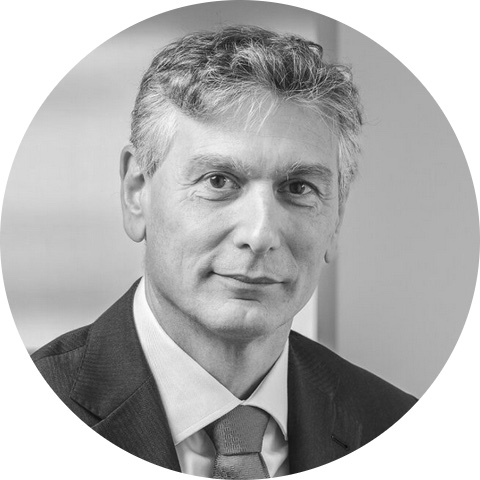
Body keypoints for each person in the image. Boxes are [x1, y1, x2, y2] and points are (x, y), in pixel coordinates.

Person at [32, 25, 416, 477]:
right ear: (137, 191)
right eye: (218, 181)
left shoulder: (400, 432)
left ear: (337, 218)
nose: (260, 233)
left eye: (299, 188)